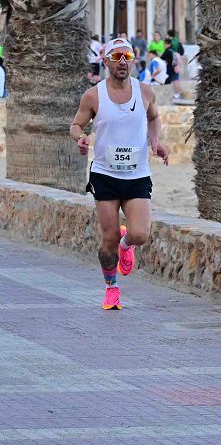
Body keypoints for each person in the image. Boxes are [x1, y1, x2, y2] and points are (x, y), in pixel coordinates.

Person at [69, 37, 169, 310]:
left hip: (137, 175)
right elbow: (76, 125)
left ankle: (127, 246)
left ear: (133, 60)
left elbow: (154, 118)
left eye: (126, 56)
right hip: (105, 175)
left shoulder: (145, 92)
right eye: (116, 57)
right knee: (108, 236)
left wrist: (155, 141)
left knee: (140, 234)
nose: (122, 62)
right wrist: (80, 139)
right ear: (106, 61)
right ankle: (111, 288)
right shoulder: (93, 95)